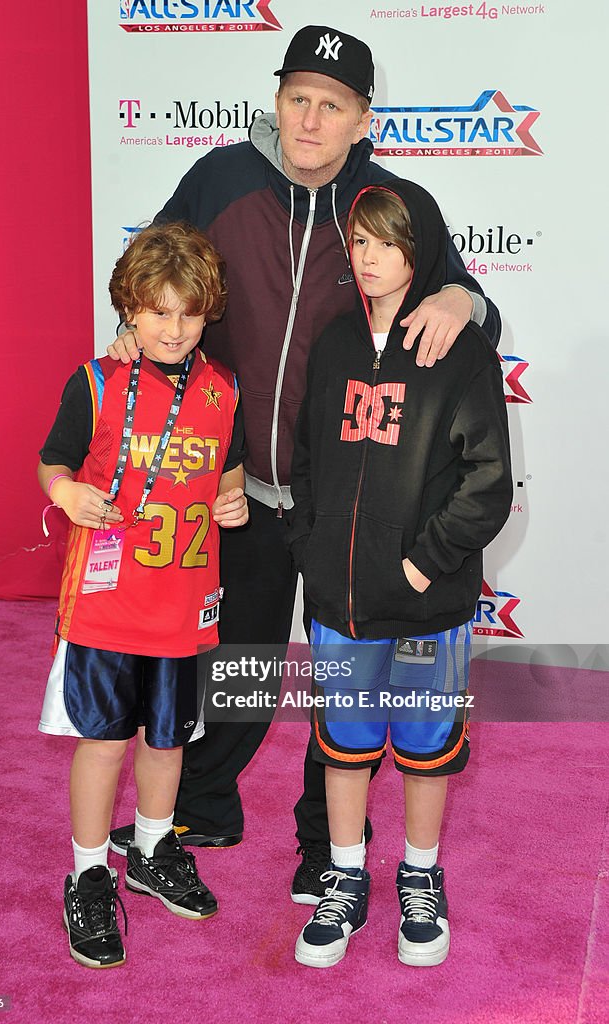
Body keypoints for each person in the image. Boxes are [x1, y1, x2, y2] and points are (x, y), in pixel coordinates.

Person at [107, 24, 502, 904]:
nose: (310, 120)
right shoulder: (221, 176)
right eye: (297, 99)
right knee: (239, 662)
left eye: (332, 106)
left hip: (345, 505)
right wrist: (131, 325)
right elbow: (154, 272)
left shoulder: (387, 201)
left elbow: (476, 308)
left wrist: (455, 294)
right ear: (276, 98)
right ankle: (202, 808)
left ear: (363, 119)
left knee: (338, 684)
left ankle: (329, 845)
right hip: (239, 490)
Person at [288, 181, 512, 969]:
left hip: (427, 606)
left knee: (424, 747)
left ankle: (420, 874)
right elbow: (308, 458)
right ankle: (344, 877)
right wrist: (311, 546)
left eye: (389, 242)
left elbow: (487, 480)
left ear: (420, 253)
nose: (371, 257)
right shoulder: (335, 342)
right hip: (340, 602)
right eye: (359, 242)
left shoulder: (461, 348)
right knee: (344, 745)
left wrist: (422, 566)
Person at [37, 222, 248, 968]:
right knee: (104, 739)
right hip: (106, 602)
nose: (173, 328)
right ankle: (89, 871)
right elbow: (53, 459)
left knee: (167, 741)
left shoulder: (223, 390)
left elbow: (227, 474)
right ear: (129, 309)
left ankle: (154, 849)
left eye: (188, 313)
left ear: (206, 313)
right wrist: (65, 493)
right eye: (157, 311)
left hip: (183, 604)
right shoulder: (95, 381)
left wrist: (233, 503)